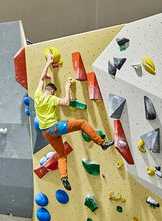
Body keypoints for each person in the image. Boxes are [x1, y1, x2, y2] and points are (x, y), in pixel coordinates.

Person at [34, 54, 114, 191]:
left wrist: (48, 62)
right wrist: (67, 87)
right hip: (54, 128)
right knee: (82, 123)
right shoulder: (51, 99)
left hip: (46, 133)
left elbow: (42, 77)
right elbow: (66, 102)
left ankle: (63, 176)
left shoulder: (37, 97)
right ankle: (102, 143)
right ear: (52, 92)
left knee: (61, 154)